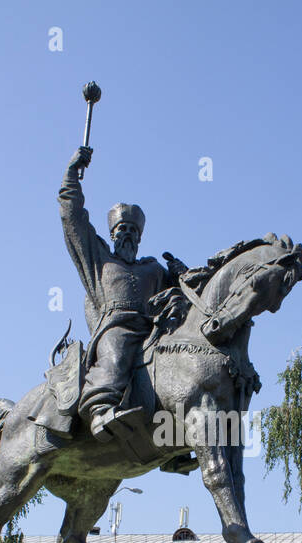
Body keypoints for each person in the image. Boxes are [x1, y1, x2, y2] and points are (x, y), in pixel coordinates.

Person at [58, 145, 188, 440]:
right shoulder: (99, 259)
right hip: (114, 327)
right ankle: (101, 409)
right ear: (112, 234)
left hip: (152, 331)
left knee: (181, 365)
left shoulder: (153, 269)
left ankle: (175, 437)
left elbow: (182, 300)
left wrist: (182, 275)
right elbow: (73, 220)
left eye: (133, 230)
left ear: (140, 237)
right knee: (116, 354)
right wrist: (71, 176)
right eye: (122, 229)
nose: (128, 234)